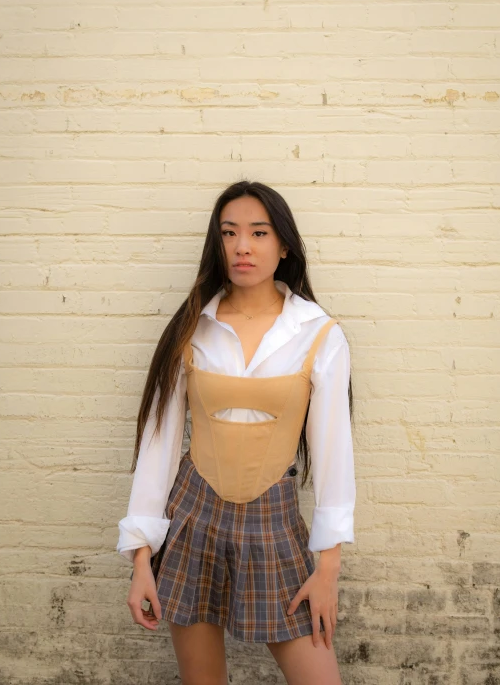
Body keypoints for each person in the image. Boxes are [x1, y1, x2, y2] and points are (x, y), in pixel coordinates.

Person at [117, 180, 356, 685]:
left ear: (283, 244)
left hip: (273, 522)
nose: (242, 246)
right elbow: (159, 448)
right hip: (193, 520)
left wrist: (327, 569)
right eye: (229, 233)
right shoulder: (192, 328)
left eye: (258, 232)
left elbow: (335, 453)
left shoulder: (319, 333)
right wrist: (142, 557)